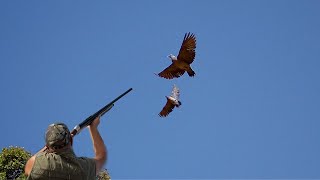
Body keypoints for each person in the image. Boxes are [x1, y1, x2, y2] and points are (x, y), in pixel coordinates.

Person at [24, 116, 107, 179]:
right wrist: (93, 128)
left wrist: (48, 147)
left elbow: (30, 164)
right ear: (71, 141)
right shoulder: (84, 169)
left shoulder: (37, 164)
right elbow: (102, 156)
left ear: (48, 146)